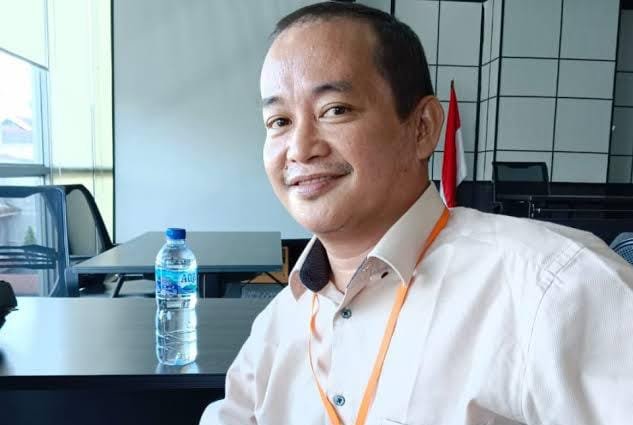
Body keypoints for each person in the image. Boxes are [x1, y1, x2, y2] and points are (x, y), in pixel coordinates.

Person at [201, 2, 633, 424]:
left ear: (422, 127)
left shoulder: (556, 289)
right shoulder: (278, 323)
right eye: (279, 121)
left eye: (335, 110)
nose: (299, 148)